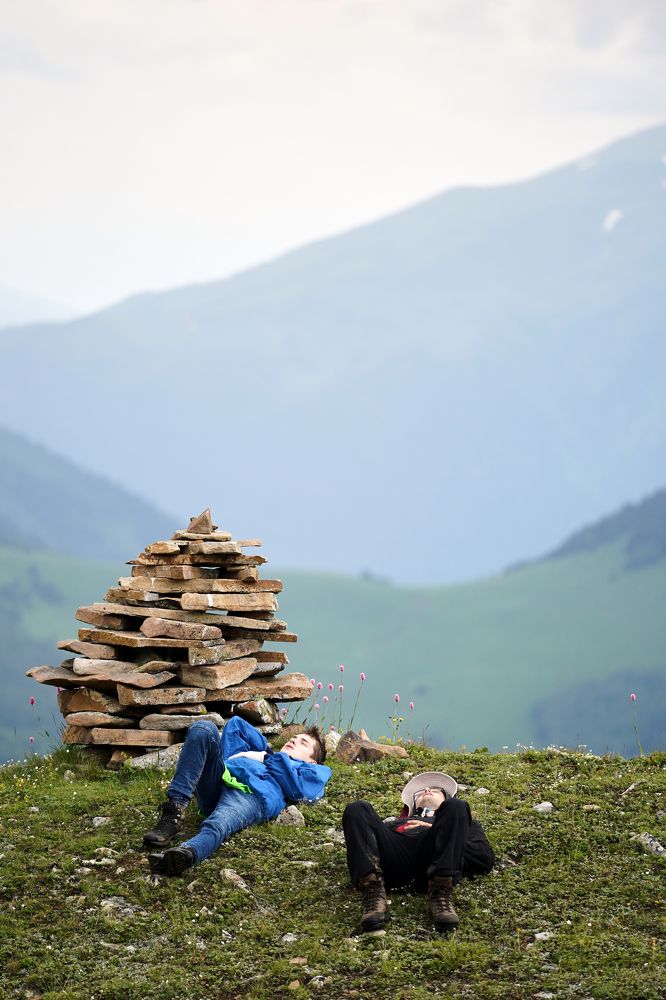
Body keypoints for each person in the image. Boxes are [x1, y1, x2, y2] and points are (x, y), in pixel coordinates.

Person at [144, 716, 331, 876]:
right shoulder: (259, 754)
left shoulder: (310, 771)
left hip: (253, 794)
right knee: (204, 729)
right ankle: (173, 813)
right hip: (219, 780)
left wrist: (268, 758)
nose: (294, 740)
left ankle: (186, 853)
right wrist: (266, 749)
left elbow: (301, 791)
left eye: (303, 743)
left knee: (218, 823)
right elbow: (236, 725)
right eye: (294, 737)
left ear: (312, 761)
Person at [342, 770, 494, 933]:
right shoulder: (392, 825)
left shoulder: (459, 821)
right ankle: (373, 892)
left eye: (436, 790)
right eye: (421, 792)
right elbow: (363, 847)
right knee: (357, 808)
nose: (427, 790)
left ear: (446, 799)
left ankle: (439, 892)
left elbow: (483, 857)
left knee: (458, 806)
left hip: (434, 859)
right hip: (395, 856)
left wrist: (438, 832)